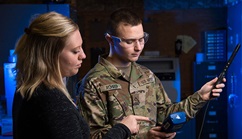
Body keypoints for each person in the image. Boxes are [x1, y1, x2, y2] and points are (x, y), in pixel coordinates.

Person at [77, 8, 226, 139]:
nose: (138, 47)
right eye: (130, 42)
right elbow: (93, 136)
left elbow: (165, 114)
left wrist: (200, 96)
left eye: (142, 39)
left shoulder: (146, 75)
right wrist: (145, 136)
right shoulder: (93, 83)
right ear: (110, 40)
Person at [12, 11, 151, 139]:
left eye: (81, 48)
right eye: (75, 51)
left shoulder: (27, 90)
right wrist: (123, 129)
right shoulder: (51, 100)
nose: (83, 56)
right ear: (50, 55)